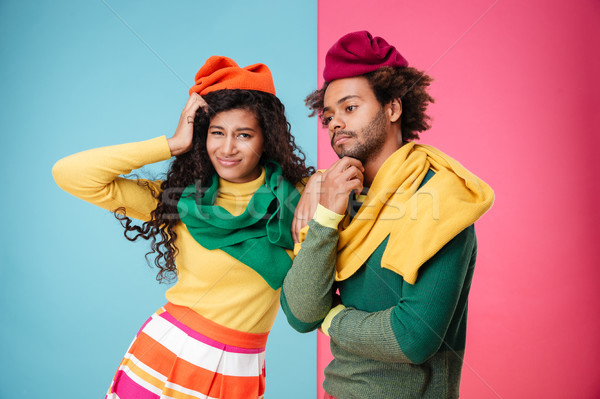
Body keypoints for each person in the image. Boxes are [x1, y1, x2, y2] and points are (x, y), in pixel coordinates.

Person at [52, 56, 313, 399]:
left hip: (241, 370)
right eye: (216, 133)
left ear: (267, 138)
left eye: (244, 134)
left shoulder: (302, 196)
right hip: (162, 359)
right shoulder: (178, 201)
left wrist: (321, 186)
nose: (228, 148)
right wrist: (172, 144)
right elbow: (71, 174)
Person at [281, 31, 495, 398]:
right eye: (329, 115)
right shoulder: (337, 196)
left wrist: (331, 318)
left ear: (393, 108)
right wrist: (327, 217)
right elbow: (300, 313)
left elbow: (412, 337)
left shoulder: (442, 197)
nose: (334, 124)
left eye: (350, 108)